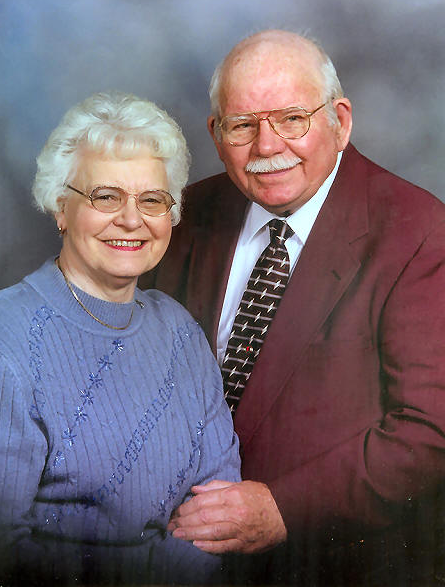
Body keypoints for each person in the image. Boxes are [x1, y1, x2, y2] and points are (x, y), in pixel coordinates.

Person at [140, 31, 445, 585]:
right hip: (172, 552)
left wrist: (282, 509)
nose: (266, 146)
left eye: (292, 119)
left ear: (340, 122)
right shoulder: (186, 215)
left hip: (334, 563)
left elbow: (428, 430)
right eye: (243, 125)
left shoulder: (418, 232)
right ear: (216, 135)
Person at [0, 91, 240, 586]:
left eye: (152, 200)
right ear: (60, 208)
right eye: (106, 197)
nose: (132, 220)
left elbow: (217, 513)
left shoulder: (181, 332)